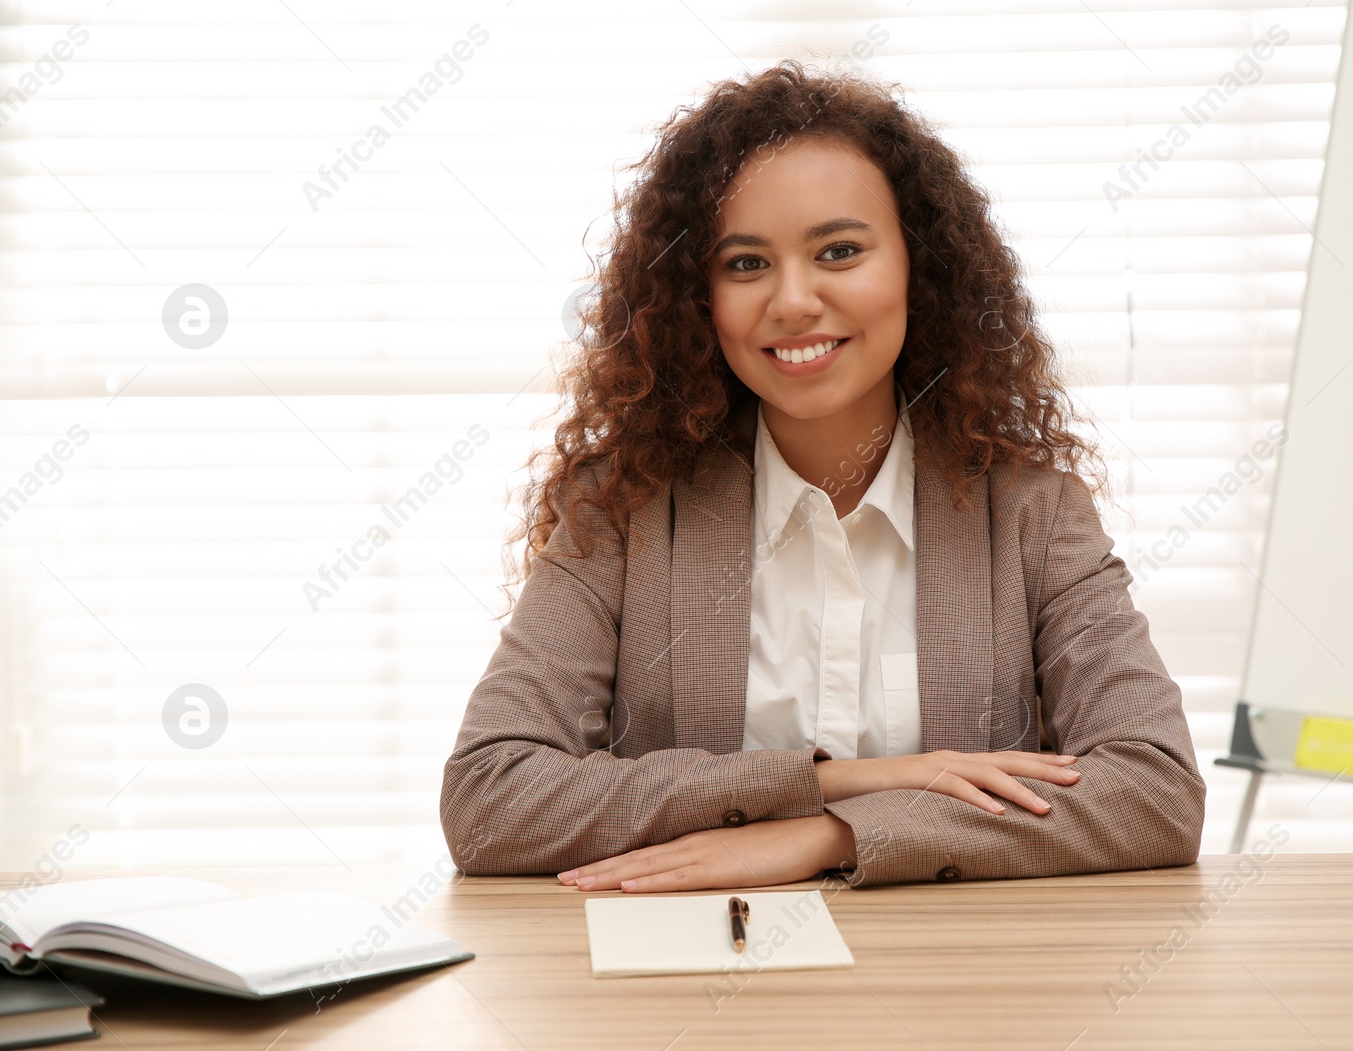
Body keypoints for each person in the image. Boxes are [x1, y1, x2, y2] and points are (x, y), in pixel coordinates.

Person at [439, 61, 1204, 892]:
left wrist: (834, 836)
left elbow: (1155, 790)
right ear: (700, 296)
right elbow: (490, 798)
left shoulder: (1031, 511)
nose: (793, 300)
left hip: (960, 993)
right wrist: (828, 781)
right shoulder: (624, 508)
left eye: (839, 251)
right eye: (745, 263)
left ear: (921, 266)